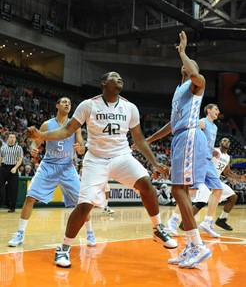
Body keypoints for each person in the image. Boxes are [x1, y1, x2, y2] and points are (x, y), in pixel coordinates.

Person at [27, 71, 177, 268]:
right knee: (84, 205)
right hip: (96, 159)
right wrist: (41, 135)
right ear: (104, 82)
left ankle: (157, 228)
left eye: (121, 77)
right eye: (115, 76)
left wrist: (155, 162)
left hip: (121, 156)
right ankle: (63, 248)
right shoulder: (88, 105)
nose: (120, 78)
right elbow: (66, 130)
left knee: (146, 183)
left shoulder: (130, 107)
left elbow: (139, 139)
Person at [143, 31, 211, 268]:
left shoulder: (196, 85)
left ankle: (197, 245)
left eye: (191, 66)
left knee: (178, 190)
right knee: (178, 191)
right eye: (184, 64)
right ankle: (193, 245)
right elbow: (172, 123)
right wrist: (150, 139)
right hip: (180, 137)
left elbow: (195, 74)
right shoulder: (178, 90)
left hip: (191, 135)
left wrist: (183, 52)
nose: (187, 68)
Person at [8, 97, 96, 248]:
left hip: (67, 167)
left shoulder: (74, 125)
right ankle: (20, 233)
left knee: (84, 202)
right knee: (30, 198)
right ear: (57, 105)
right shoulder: (47, 124)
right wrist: (33, 149)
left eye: (69, 102)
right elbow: (35, 142)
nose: (67, 104)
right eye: (64, 102)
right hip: (49, 165)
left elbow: (81, 147)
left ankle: (90, 233)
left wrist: (80, 149)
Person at [167, 104, 223, 238]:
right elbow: (191, 133)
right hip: (198, 159)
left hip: (208, 161)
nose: (218, 111)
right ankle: (173, 221)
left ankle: (207, 222)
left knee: (218, 189)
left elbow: (206, 142)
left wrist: (213, 150)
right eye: (215, 109)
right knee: (191, 191)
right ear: (208, 110)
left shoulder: (214, 127)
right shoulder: (202, 122)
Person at [193, 138, 246, 231]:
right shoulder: (214, 150)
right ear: (220, 143)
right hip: (206, 179)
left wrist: (240, 177)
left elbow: (227, 172)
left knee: (233, 197)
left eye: (228, 141)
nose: (226, 142)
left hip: (216, 181)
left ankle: (221, 219)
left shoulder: (228, 157)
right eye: (224, 140)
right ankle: (185, 221)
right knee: (201, 203)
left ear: (230, 145)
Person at [0, 132, 23, 212]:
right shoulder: (3, 147)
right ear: (8, 138)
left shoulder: (19, 148)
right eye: (10, 137)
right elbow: (0, 158)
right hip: (3, 168)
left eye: (13, 137)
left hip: (13, 168)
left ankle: (12, 207)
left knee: (13, 189)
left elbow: (20, 160)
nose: (12, 139)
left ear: (15, 139)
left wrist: (15, 168)